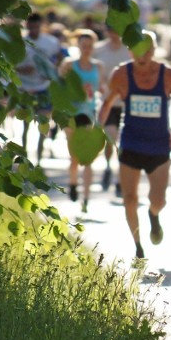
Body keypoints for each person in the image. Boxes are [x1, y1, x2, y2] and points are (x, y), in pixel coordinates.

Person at [98, 30, 171, 259]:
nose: (142, 56)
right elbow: (107, 103)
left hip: (159, 146)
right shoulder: (121, 74)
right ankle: (138, 246)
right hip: (131, 143)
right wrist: (97, 131)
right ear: (130, 51)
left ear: (154, 51)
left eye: (147, 51)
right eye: (138, 51)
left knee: (159, 200)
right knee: (129, 198)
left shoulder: (167, 74)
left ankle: (153, 215)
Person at [58, 29, 107, 212]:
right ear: (78, 46)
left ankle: (85, 198)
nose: (86, 49)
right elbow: (59, 86)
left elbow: (102, 86)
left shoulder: (98, 66)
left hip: (89, 114)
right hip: (71, 114)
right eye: (83, 45)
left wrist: (106, 94)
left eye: (89, 46)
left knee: (88, 157)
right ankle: (72, 183)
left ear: (93, 47)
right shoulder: (70, 65)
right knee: (75, 156)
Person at [16, 12, 63, 165]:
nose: (34, 30)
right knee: (25, 125)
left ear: (41, 26)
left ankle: (39, 161)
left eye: (37, 27)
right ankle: (23, 158)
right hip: (25, 87)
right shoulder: (21, 42)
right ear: (26, 26)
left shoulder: (51, 42)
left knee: (43, 123)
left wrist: (51, 71)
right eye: (31, 27)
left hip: (44, 87)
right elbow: (11, 64)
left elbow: (60, 57)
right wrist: (23, 70)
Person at [93, 25, 132, 197]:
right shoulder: (98, 50)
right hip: (108, 102)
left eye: (116, 29)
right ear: (107, 31)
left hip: (127, 104)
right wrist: (100, 86)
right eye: (111, 29)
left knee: (123, 143)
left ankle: (119, 179)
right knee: (110, 138)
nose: (114, 33)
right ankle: (108, 167)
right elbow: (94, 72)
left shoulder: (129, 50)